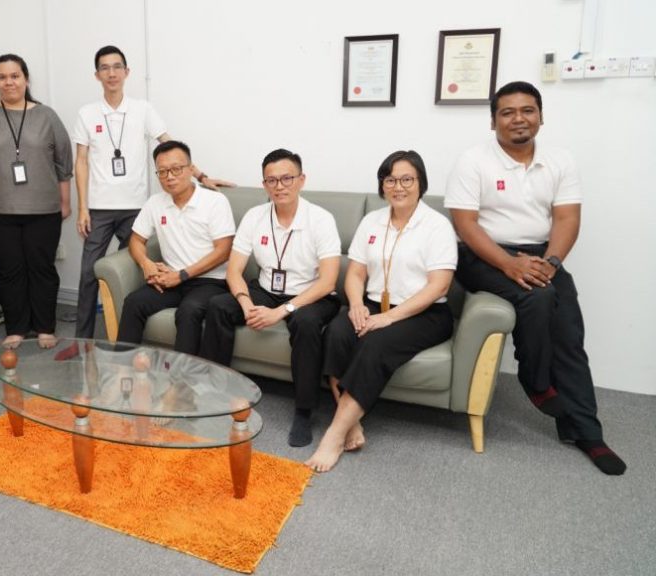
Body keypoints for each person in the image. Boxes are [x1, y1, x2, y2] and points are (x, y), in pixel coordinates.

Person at [445, 81, 625, 475]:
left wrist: (552, 262)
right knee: (538, 297)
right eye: (507, 112)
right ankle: (535, 378)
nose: (518, 119)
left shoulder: (560, 161)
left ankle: (585, 432)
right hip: (482, 254)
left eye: (527, 110)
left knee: (569, 330)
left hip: (542, 252)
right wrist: (508, 264)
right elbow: (466, 225)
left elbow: (567, 218)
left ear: (541, 117)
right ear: (493, 121)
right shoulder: (473, 160)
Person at [306, 150, 457, 472]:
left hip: (426, 312)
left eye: (406, 179)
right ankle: (352, 423)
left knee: (375, 343)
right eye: (390, 180)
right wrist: (357, 305)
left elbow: (439, 286)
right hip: (373, 304)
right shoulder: (372, 221)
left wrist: (388, 318)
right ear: (382, 185)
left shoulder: (437, 226)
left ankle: (334, 435)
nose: (398, 187)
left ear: (420, 183)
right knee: (336, 333)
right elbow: (356, 272)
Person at [72, 45, 233, 339]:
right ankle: (81, 340)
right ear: (97, 75)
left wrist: (200, 175)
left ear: (127, 72)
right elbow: (81, 161)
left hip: (135, 206)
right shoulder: (87, 113)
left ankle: (125, 333)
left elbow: (169, 146)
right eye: (105, 68)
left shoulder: (142, 109)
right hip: (99, 206)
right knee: (88, 274)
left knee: (130, 273)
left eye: (117, 67)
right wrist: (83, 207)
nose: (111, 73)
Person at [199, 149, 341, 447]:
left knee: (305, 323)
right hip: (265, 289)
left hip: (311, 293)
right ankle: (217, 393)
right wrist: (246, 303)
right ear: (264, 185)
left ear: (301, 180)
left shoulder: (321, 219)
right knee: (218, 306)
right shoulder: (255, 216)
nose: (279, 186)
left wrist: (281, 311)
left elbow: (328, 281)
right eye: (272, 180)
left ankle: (304, 411)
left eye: (287, 178)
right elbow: (234, 271)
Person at [0, 53, 73, 349]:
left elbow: (63, 163)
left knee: (42, 268)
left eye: (15, 76)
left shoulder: (47, 116)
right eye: (2, 77)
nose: (9, 82)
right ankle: (17, 328)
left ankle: (45, 327)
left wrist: (65, 201)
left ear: (26, 79)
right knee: (10, 271)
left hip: (43, 209)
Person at [116, 140, 234, 354]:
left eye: (176, 169)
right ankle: (122, 368)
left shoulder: (215, 201)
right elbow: (136, 240)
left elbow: (224, 250)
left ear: (191, 169)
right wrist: (146, 264)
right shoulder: (155, 203)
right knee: (134, 302)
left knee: (189, 311)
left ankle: (180, 374)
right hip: (171, 279)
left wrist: (182, 275)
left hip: (210, 281)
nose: (169, 176)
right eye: (162, 172)